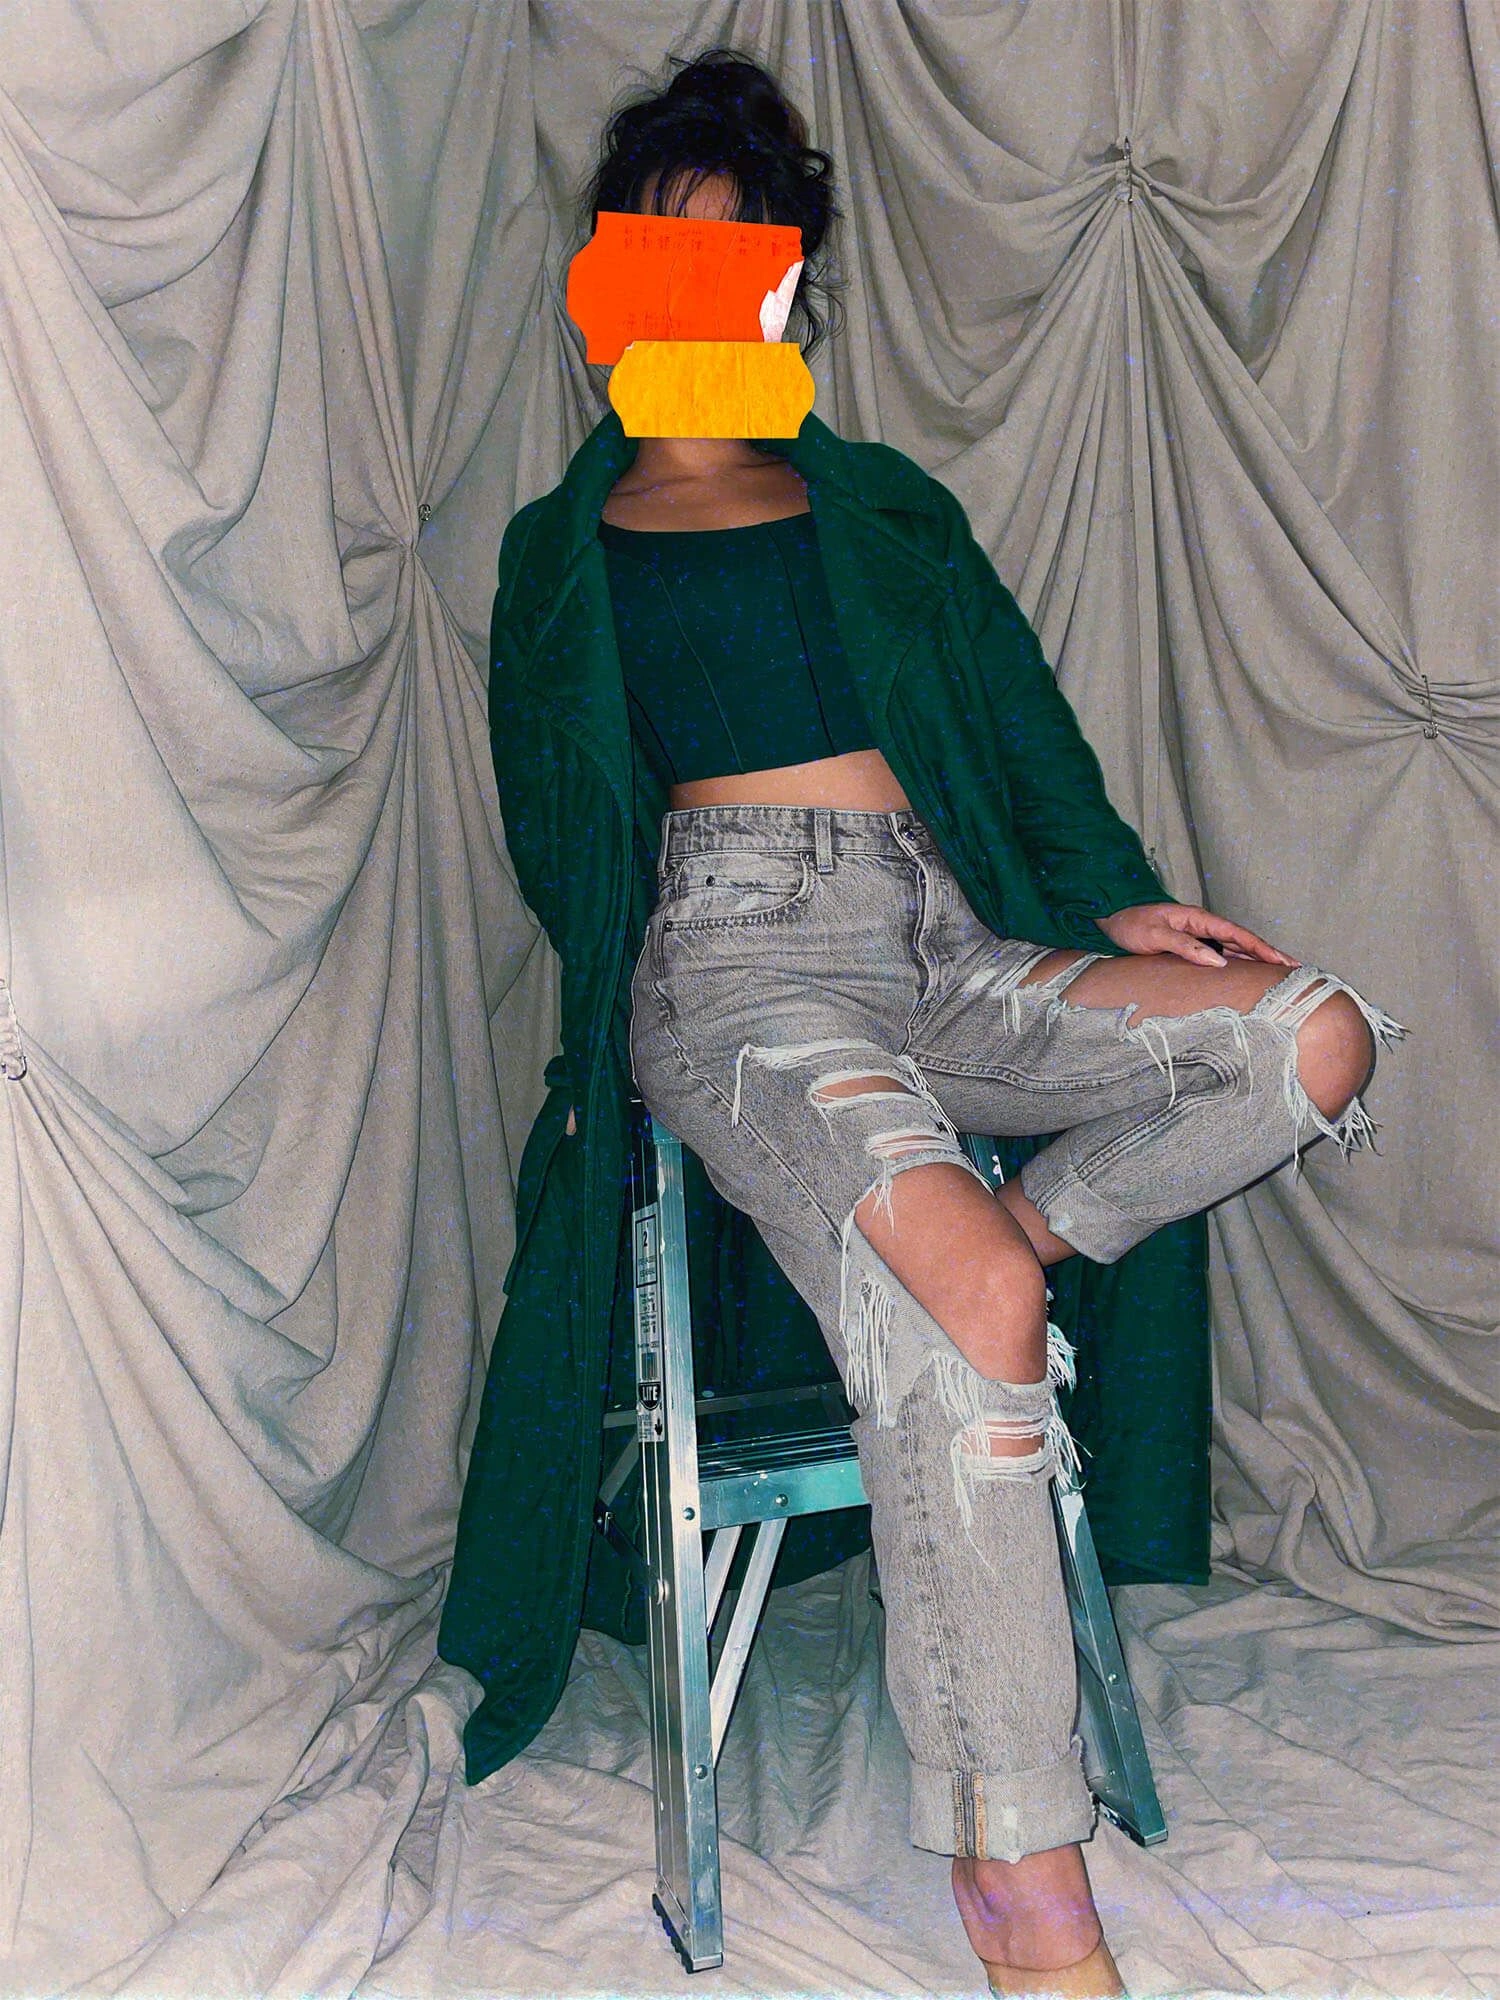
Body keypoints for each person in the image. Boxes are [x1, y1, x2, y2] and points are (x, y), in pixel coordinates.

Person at [445, 47, 1403, 1998]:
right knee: (966, 1296)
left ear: (788, 287)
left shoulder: (882, 506)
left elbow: (1021, 726)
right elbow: (567, 835)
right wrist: (639, 1039)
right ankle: (1020, 1878)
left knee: (1309, 1040)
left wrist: (1112, 893)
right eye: (661, 258)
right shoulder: (564, 548)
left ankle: (1016, 1243)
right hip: (736, 967)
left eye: (741, 259)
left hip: (943, 936)